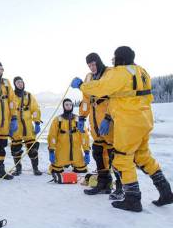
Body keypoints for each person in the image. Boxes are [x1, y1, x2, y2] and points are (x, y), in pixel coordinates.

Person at [72, 46, 173, 212]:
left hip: (128, 123)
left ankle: (133, 199)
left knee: (122, 159)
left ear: (120, 57)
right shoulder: (141, 71)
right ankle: (166, 192)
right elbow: (126, 96)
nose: (113, 59)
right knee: (143, 156)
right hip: (145, 120)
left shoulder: (119, 72)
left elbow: (100, 88)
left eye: (115, 56)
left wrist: (82, 85)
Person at [79, 53, 123, 196]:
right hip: (95, 121)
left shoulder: (109, 73)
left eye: (93, 64)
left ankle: (120, 187)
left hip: (109, 120)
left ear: (99, 62)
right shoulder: (88, 77)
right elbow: (85, 100)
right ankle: (103, 183)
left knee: (113, 154)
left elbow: (115, 98)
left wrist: (109, 117)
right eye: (89, 65)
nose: (92, 67)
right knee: (98, 151)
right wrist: (81, 117)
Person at [47, 98, 90, 175]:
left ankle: (74, 164)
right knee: (55, 170)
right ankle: (63, 164)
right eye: (66, 105)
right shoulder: (57, 120)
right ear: (63, 106)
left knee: (82, 170)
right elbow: (52, 135)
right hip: (61, 151)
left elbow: (84, 135)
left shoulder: (78, 120)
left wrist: (86, 151)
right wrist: (51, 150)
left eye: (70, 105)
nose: (68, 106)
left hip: (76, 152)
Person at [10, 76, 42, 176]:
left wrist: (37, 122)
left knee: (33, 148)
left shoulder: (28, 95)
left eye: (21, 82)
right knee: (16, 149)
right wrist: (9, 126)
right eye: (18, 82)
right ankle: (18, 169)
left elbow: (35, 109)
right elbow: (8, 110)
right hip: (16, 126)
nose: (20, 84)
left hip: (28, 126)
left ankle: (35, 168)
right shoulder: (11, 96)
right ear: (14, 84)